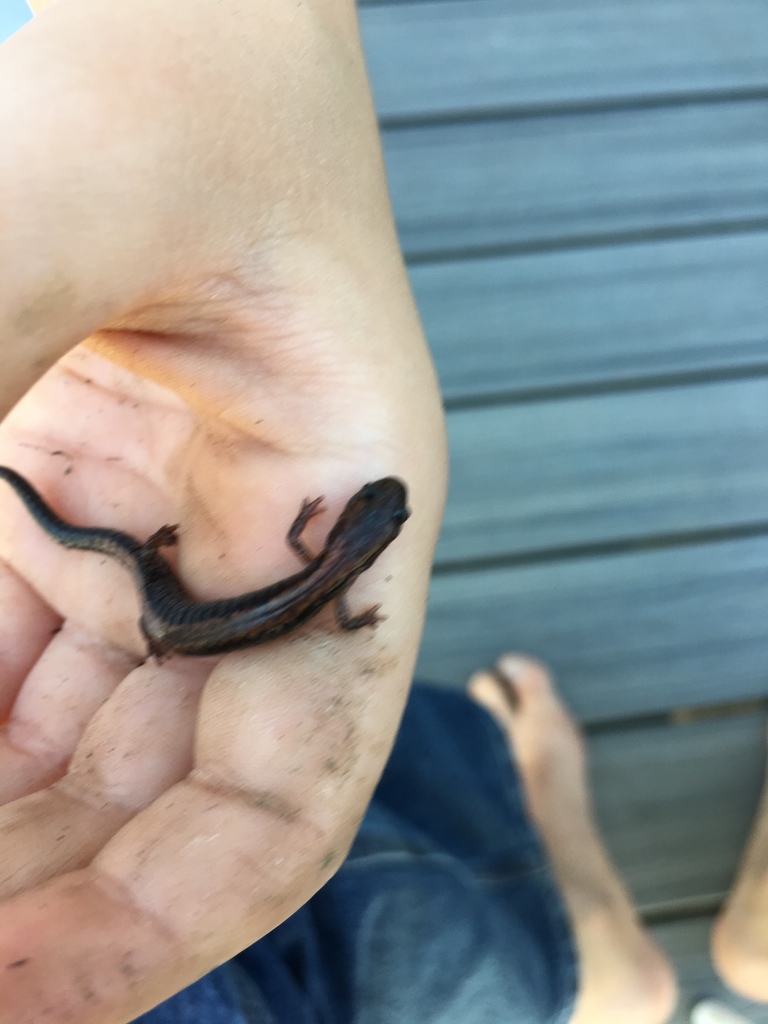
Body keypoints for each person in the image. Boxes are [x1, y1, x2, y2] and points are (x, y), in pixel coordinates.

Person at [0, 1, 766, 1021]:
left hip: (175, 620)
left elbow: (309, 574)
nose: (360, 532)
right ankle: (578, 947)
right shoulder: (335, 577)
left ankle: (584, 957)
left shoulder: (333, 564)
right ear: (367, 541)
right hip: (169, 623)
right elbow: (312, 587)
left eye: (367, 520)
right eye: (369, 522)